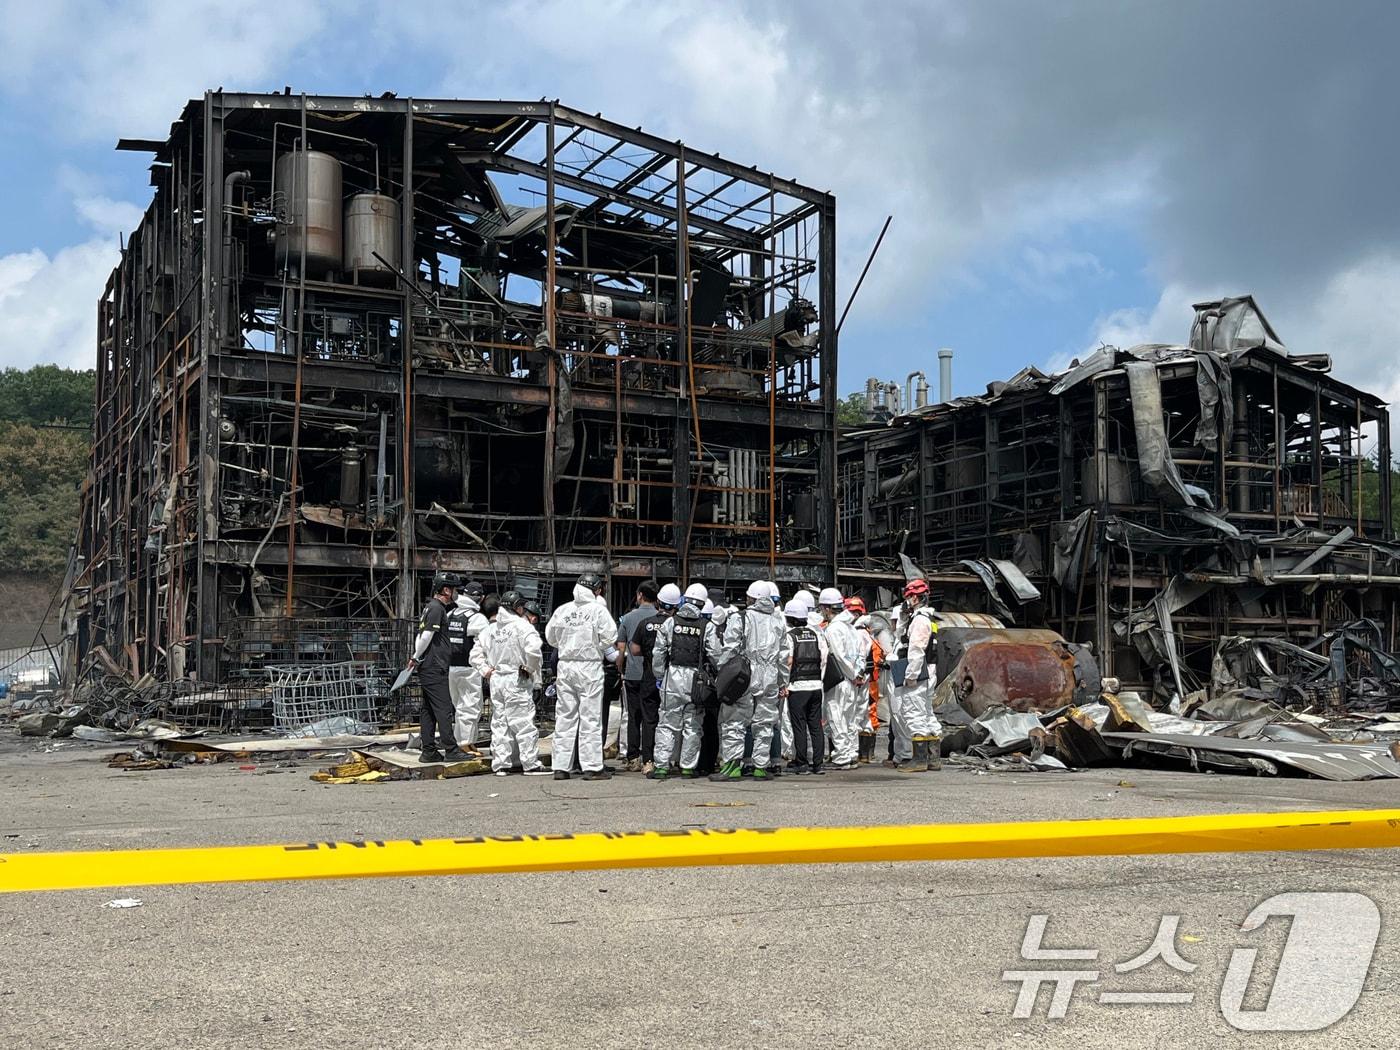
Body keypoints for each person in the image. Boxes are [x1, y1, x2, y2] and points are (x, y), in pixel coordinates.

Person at [712, 580, 792, 781]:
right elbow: (783, 656)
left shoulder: (741, 618)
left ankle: (732, 766)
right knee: (764, 724)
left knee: (735, 721)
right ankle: (760, 767)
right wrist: (783, 682)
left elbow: (730, 648)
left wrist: (723, 673)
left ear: (751, 598)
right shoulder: (777, 621)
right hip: (770, 677)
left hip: (744, 676)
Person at [544, 573, 618, 781]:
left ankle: (561, 767)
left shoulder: (563, 609)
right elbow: (610, 636)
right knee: (590, 717)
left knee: (565, 717)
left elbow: (551, 637)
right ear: (597, 590)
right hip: (589, 666)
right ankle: (592, 767)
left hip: (565, 665)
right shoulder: (598, 610)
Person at [470, 591, 550, 776]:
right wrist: (530, 669)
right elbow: (534, 650)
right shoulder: (522, 626)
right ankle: (530, 764)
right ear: (518, 607)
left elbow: (474, 655)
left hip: (497, 678)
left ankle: (501, 764)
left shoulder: (490, 629)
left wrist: (485, 670)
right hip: (517, 678)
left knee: (500, 723)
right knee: (523, 722)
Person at [650, 583, 722, 780]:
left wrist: (659, 676)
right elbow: (715, 655)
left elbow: (658, 652)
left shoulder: (670, 623)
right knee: (693, 725)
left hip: (672, 678)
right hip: (695, 681)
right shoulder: (706, 626)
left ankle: (662, 766)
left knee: (667, 723)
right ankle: (688, 767)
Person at [408, 572, 468, 763]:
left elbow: (420, 636)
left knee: (428, 710)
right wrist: (416, 656)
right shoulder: (437, 609)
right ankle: (451, 749)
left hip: (428, 666)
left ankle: (428, 751)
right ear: (446, 590)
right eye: (454, 589)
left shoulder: (429, 608)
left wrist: (417, 657)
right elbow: (426, 636)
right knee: (443, 709)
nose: (456, 593)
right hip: (435, 666)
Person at [893, 578, 943, 772]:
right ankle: (933, 759)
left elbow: (916, 649)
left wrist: (911, 675)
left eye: (908, 597)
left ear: (914, 597)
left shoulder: (920, 620)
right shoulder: (925, 618)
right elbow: (901, 635)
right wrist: (905, 618)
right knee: (927, 714)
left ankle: (919, 760)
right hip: (928, 671)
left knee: (914, 713)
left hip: (919, 672)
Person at [616, 580, 661, 772]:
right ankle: (650, 757)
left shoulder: (627, 618)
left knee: (633, 716)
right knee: (652, 717)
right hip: (654, 675)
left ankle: (632, 756)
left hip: (633, 675)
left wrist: (620, 669)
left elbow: (621, 649)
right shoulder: (662, 618)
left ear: (640, 595)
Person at [819, 587, 863, 770]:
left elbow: (839, 656)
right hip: (852, 681)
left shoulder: (834, 629)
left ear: (828, 608)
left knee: (836, 717)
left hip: (839, 680)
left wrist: (851, 674)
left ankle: (843, 756)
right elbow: (860, 654)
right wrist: (857, 675)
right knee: (849, 719)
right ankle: (852, 753)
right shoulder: (851, 627)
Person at [782, 599, 829, 774]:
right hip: (816, 686)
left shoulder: (790, 636)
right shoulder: (816, 633)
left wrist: (784, 684)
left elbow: (789, 661)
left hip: (797, 687)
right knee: (816, 725)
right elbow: (823, 658)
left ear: (791, 619)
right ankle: (818, 763)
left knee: (799, 725)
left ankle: (801, 763)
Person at [446, 580, 490, 750]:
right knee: (471, 706)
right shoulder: (477, 618)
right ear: (481, 598)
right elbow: (486, 644)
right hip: (470, 668)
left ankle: (464, 742)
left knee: (459, 707)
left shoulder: (450, 615)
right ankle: (465, 743)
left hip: (450, 668)